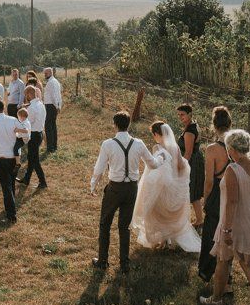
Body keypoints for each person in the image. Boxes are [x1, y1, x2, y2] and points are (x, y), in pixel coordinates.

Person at [200, 129, 250, 305]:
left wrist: (227, 230)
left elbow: (232, 202)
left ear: (231, 148)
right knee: (238, 263)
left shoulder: (233, 169)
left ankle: (219, 299)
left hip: (234, 223)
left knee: (228, 261)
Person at [88, 111, 162, 272]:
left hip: (115, 188)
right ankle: (124, 263)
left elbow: (99, 168)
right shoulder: (139, 143)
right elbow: (153, 164)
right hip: (132, 189)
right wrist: (162, 157)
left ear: (115, 125)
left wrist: (93, 185)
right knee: (124, 226)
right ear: (128, 124)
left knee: (105, 223)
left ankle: (103, 261)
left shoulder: (108, 144)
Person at [130, 121, 202, 252]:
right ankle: (167, 241)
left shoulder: (157, 148)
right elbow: (181, 166)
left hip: (161, 187)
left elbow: (154, 168)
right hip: (173, 186)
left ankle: (161, 240)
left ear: (156, 134)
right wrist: (177, 179)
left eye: (153, 135)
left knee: (158, 214)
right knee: (169, 216)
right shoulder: (175, 147)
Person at [198, 106, 233, 284]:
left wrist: (206, 199)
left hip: (218, 191)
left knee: (212, 232)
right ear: (229, 123)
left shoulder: (212, 149)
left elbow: (209, 180)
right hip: (233, 191)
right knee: (229, 232)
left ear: (214, 124)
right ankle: (227, 272)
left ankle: (208, 270)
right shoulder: (238, 144)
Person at [177, 104, 205, 227]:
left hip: (191, 162)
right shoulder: (192, 125)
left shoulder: (189, 131)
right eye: (179, 115)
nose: (180, 117)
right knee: (193, 192)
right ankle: (199, 219)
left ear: (189, 114)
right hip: (196, 160)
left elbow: (188, 152)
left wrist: (181, 167)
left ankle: (198, 220)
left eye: (182, 114)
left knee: (192, 191)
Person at [17, 85, 48, 189]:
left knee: (34, 160)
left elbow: (28, 122)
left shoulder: (31, 107)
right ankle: (26, 179)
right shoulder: (41, 104)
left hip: (33, 135)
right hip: (39, 133)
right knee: (31, 158)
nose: (26, 97)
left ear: (29, 94)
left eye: (26, 95)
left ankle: (42, 181)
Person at [43, 67, 62, 152]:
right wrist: (58, 106)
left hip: (51, 106)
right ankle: (54, 146)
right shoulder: (55, 81)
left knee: (48, 127)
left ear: (50, 73)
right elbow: (59, 95)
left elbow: (54, 96)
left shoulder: (51, 82)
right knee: (53, 126)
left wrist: (57, 106)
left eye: (46, 73)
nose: (45, 75)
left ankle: (50, 147)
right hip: (53, 105)